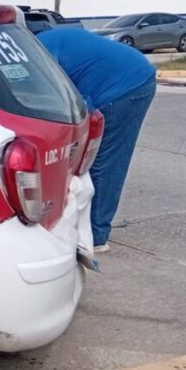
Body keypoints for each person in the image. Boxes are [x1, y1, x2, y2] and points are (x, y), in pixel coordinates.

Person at [38, 28, 156, 252]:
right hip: (136, 72)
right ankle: (93, 227)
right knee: (98, 159)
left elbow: (74, 102)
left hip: (123, 87)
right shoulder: (46, 39)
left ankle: (96, 235)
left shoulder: (40, 53)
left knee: (104, 161)